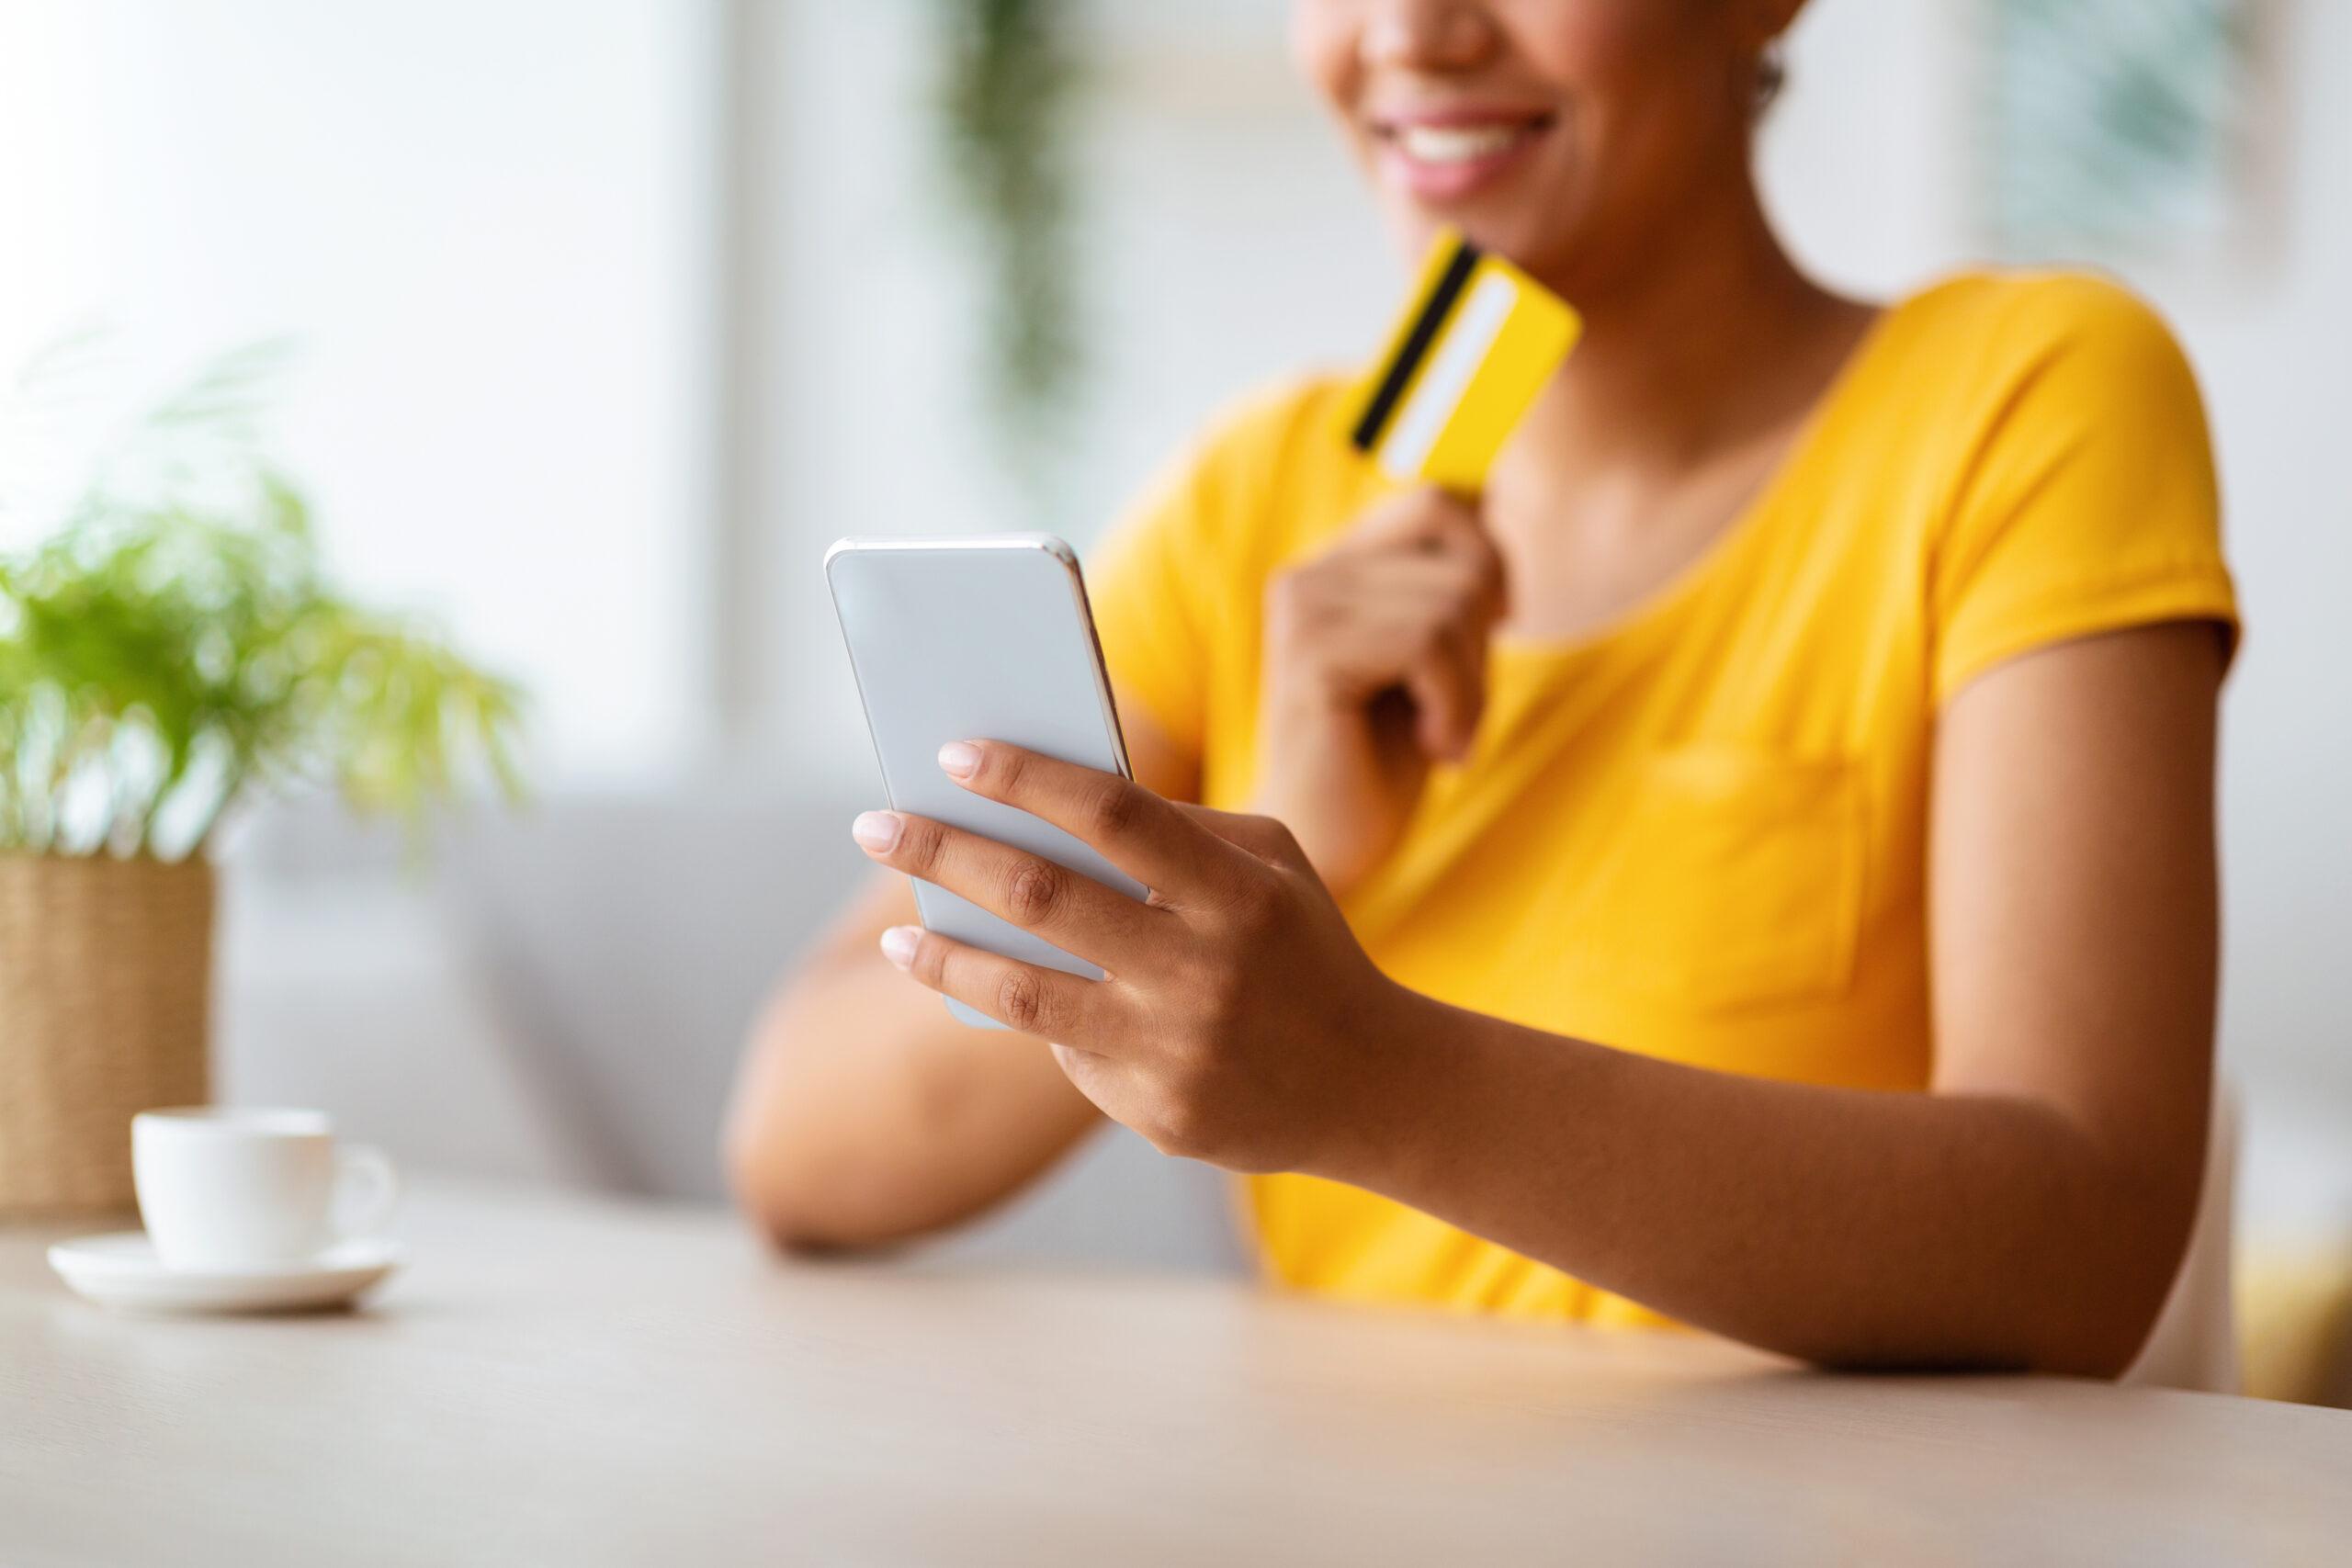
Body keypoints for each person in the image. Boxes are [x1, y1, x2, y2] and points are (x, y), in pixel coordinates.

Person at [725, 0, 2237, 1376]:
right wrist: (1263, 838)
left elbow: (2083, 1238)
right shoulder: (1259, 499)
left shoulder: (2026, 402)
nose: (1414, 33)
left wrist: (1372, 1081)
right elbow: (795, 1139)